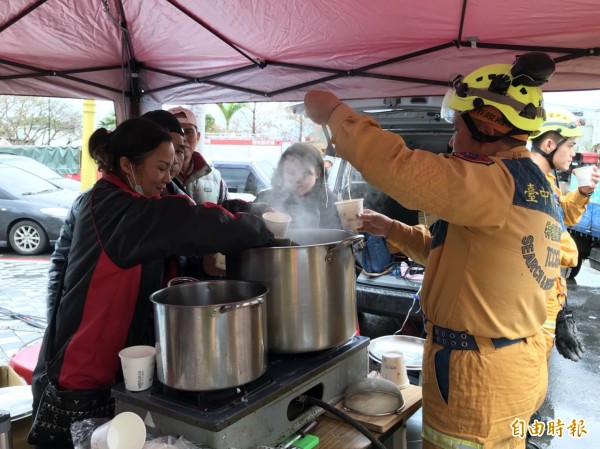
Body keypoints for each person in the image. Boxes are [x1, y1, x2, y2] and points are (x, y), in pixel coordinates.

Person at [305, 51, 563, 449]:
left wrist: (336, 114)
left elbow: (399, 167)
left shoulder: (493, 184)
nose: (452, 137)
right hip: (507, 364)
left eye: (457, 125)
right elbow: (457, 258)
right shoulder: (524, 182)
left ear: (486, 125)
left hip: (479, 379)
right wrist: (392, 229)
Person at [30, 118, 274, 448]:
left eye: (171, 166)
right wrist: (263, 228)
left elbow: (190, 210)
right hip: (86, 372)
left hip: (120, 364)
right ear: (128, 164)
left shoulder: (128, 200)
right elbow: (189, 222)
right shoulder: (114, 207)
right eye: (160, 168)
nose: (168, 177)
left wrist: (249, 209)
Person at [45, 110, 190, 320]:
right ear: (131, 160)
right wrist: (54, 324)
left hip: (152, 320)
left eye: (179, 150)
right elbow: (62, 266)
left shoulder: (173, 194)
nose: (175, 160)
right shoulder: (103, 204)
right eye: (165, 155)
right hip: (106, 322)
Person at [530, 108, 598, 362]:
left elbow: (564, 217)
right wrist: (568, 251)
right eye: (570, 145)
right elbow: (548, 241)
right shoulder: (531, 186)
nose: (574, 152)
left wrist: (583, 191)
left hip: (550, 293)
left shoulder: (547, 181)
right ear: (549, 144)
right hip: (536, 297)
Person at [255, 142, 342, 229]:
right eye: (290, 171)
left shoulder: (332, 203)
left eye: (305, 172)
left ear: (318, 173)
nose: (297, 179)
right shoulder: (265, 200)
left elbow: (345, 238)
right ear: (282, 172)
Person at [167, 106, 228, 204]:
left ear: (198, 136)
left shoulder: (215, 178)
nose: (183, 138)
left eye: (188, 132)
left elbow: (226, 214)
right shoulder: (157, 176)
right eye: (176, 131)